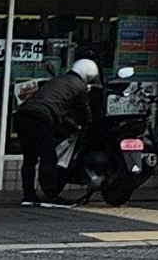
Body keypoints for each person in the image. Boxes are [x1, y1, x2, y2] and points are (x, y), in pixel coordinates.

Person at [16, 55, 99, 204]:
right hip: (41, 118)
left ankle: (28, 196)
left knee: (30, 158)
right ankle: (51, 196)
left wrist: (74, 128)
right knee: (49, 157)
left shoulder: (57, 80)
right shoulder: (79, 87)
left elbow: (57, 111)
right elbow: (84, 113)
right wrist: (88, 126)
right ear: (87, 76)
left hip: (23, 115)